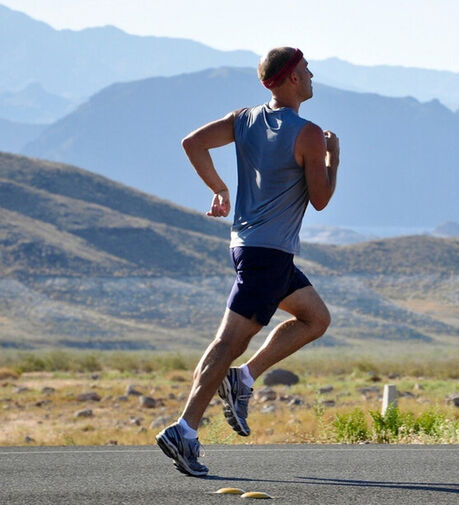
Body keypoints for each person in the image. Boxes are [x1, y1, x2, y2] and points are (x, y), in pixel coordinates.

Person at [155, 47, 339, 476]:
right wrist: (334, 157)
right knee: (227, 342)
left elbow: (193, 143)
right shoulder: (309, 134)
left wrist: (219, 188)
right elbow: (321, 199)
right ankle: (184, 429)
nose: (313, 77)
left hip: (251, 248)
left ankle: (243, 378)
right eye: (308, 71)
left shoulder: (245, 118)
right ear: (292, 77)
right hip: (268, 255)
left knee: (315, 318)